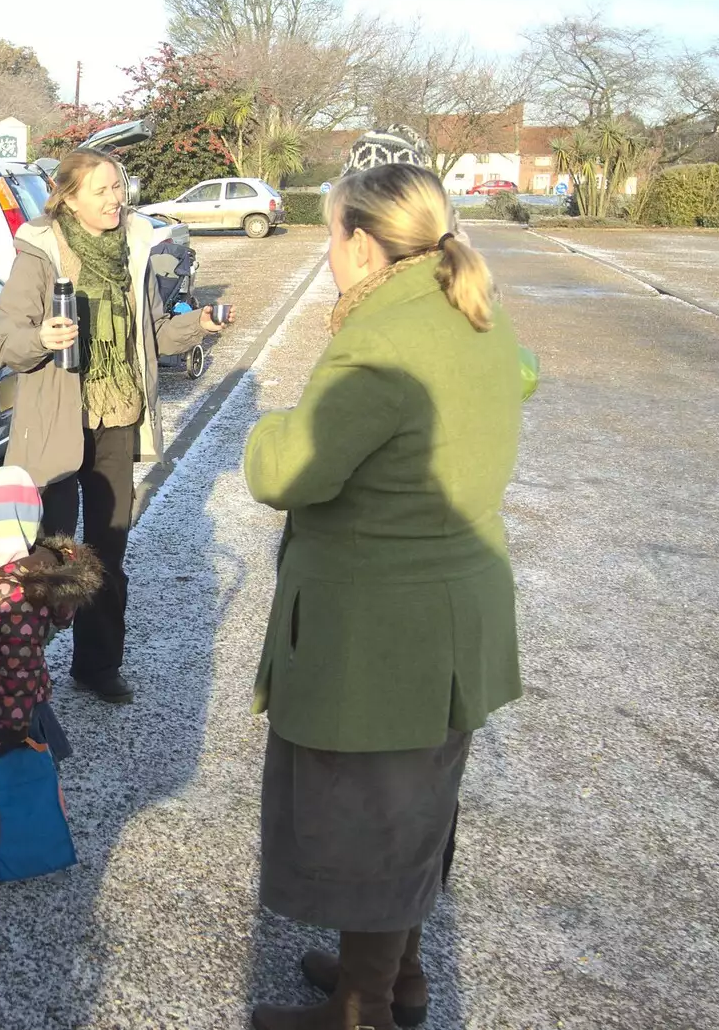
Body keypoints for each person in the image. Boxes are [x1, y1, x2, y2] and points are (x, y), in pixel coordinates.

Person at [243, 163, 524, 1030]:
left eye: (331, 235)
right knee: (417, 807)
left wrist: (264, 429)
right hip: (455, 620)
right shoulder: (469, 308)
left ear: (364, 245)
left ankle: (360, 1010)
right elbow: (524, 372)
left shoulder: (380, 339)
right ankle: (396, 975)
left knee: (371, 812)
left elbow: (290, 471)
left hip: (380, 634)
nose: (329, 254)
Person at [0, 148, 224, 705]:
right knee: (48, 558)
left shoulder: (136, 250)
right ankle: (21, 672)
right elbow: (4, 340)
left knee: (107, 553)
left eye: (118, 186)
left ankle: (97, 667)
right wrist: (41, 340)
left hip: (116, 418)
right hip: (55, 424)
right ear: (68, 197)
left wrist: (201, 323)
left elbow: (156, 334)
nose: (115, 198)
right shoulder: (41, 251)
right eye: (101, 190)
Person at [0, 465, 101, 864]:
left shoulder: (13, 598)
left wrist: (12, 726)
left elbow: (21, 668)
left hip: (8, 709)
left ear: (1, 533)